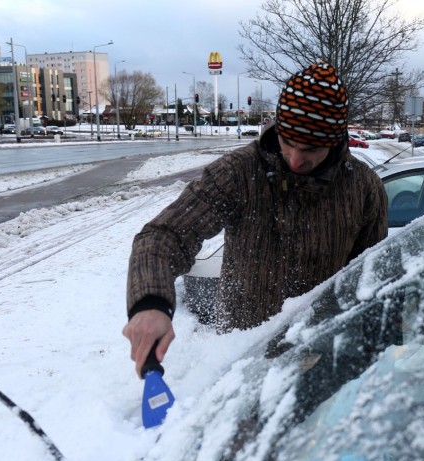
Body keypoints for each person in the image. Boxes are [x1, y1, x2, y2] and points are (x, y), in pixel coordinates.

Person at [122, 62, 387, 375]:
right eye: (288, 142)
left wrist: (379, 358)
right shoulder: (240, 172)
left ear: (334, 139)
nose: (295, 159)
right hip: (243, 364)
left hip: (324, 362)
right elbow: (164, 235)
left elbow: (373, 280)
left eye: (311, 148)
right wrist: (150, 303)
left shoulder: (362, 187)